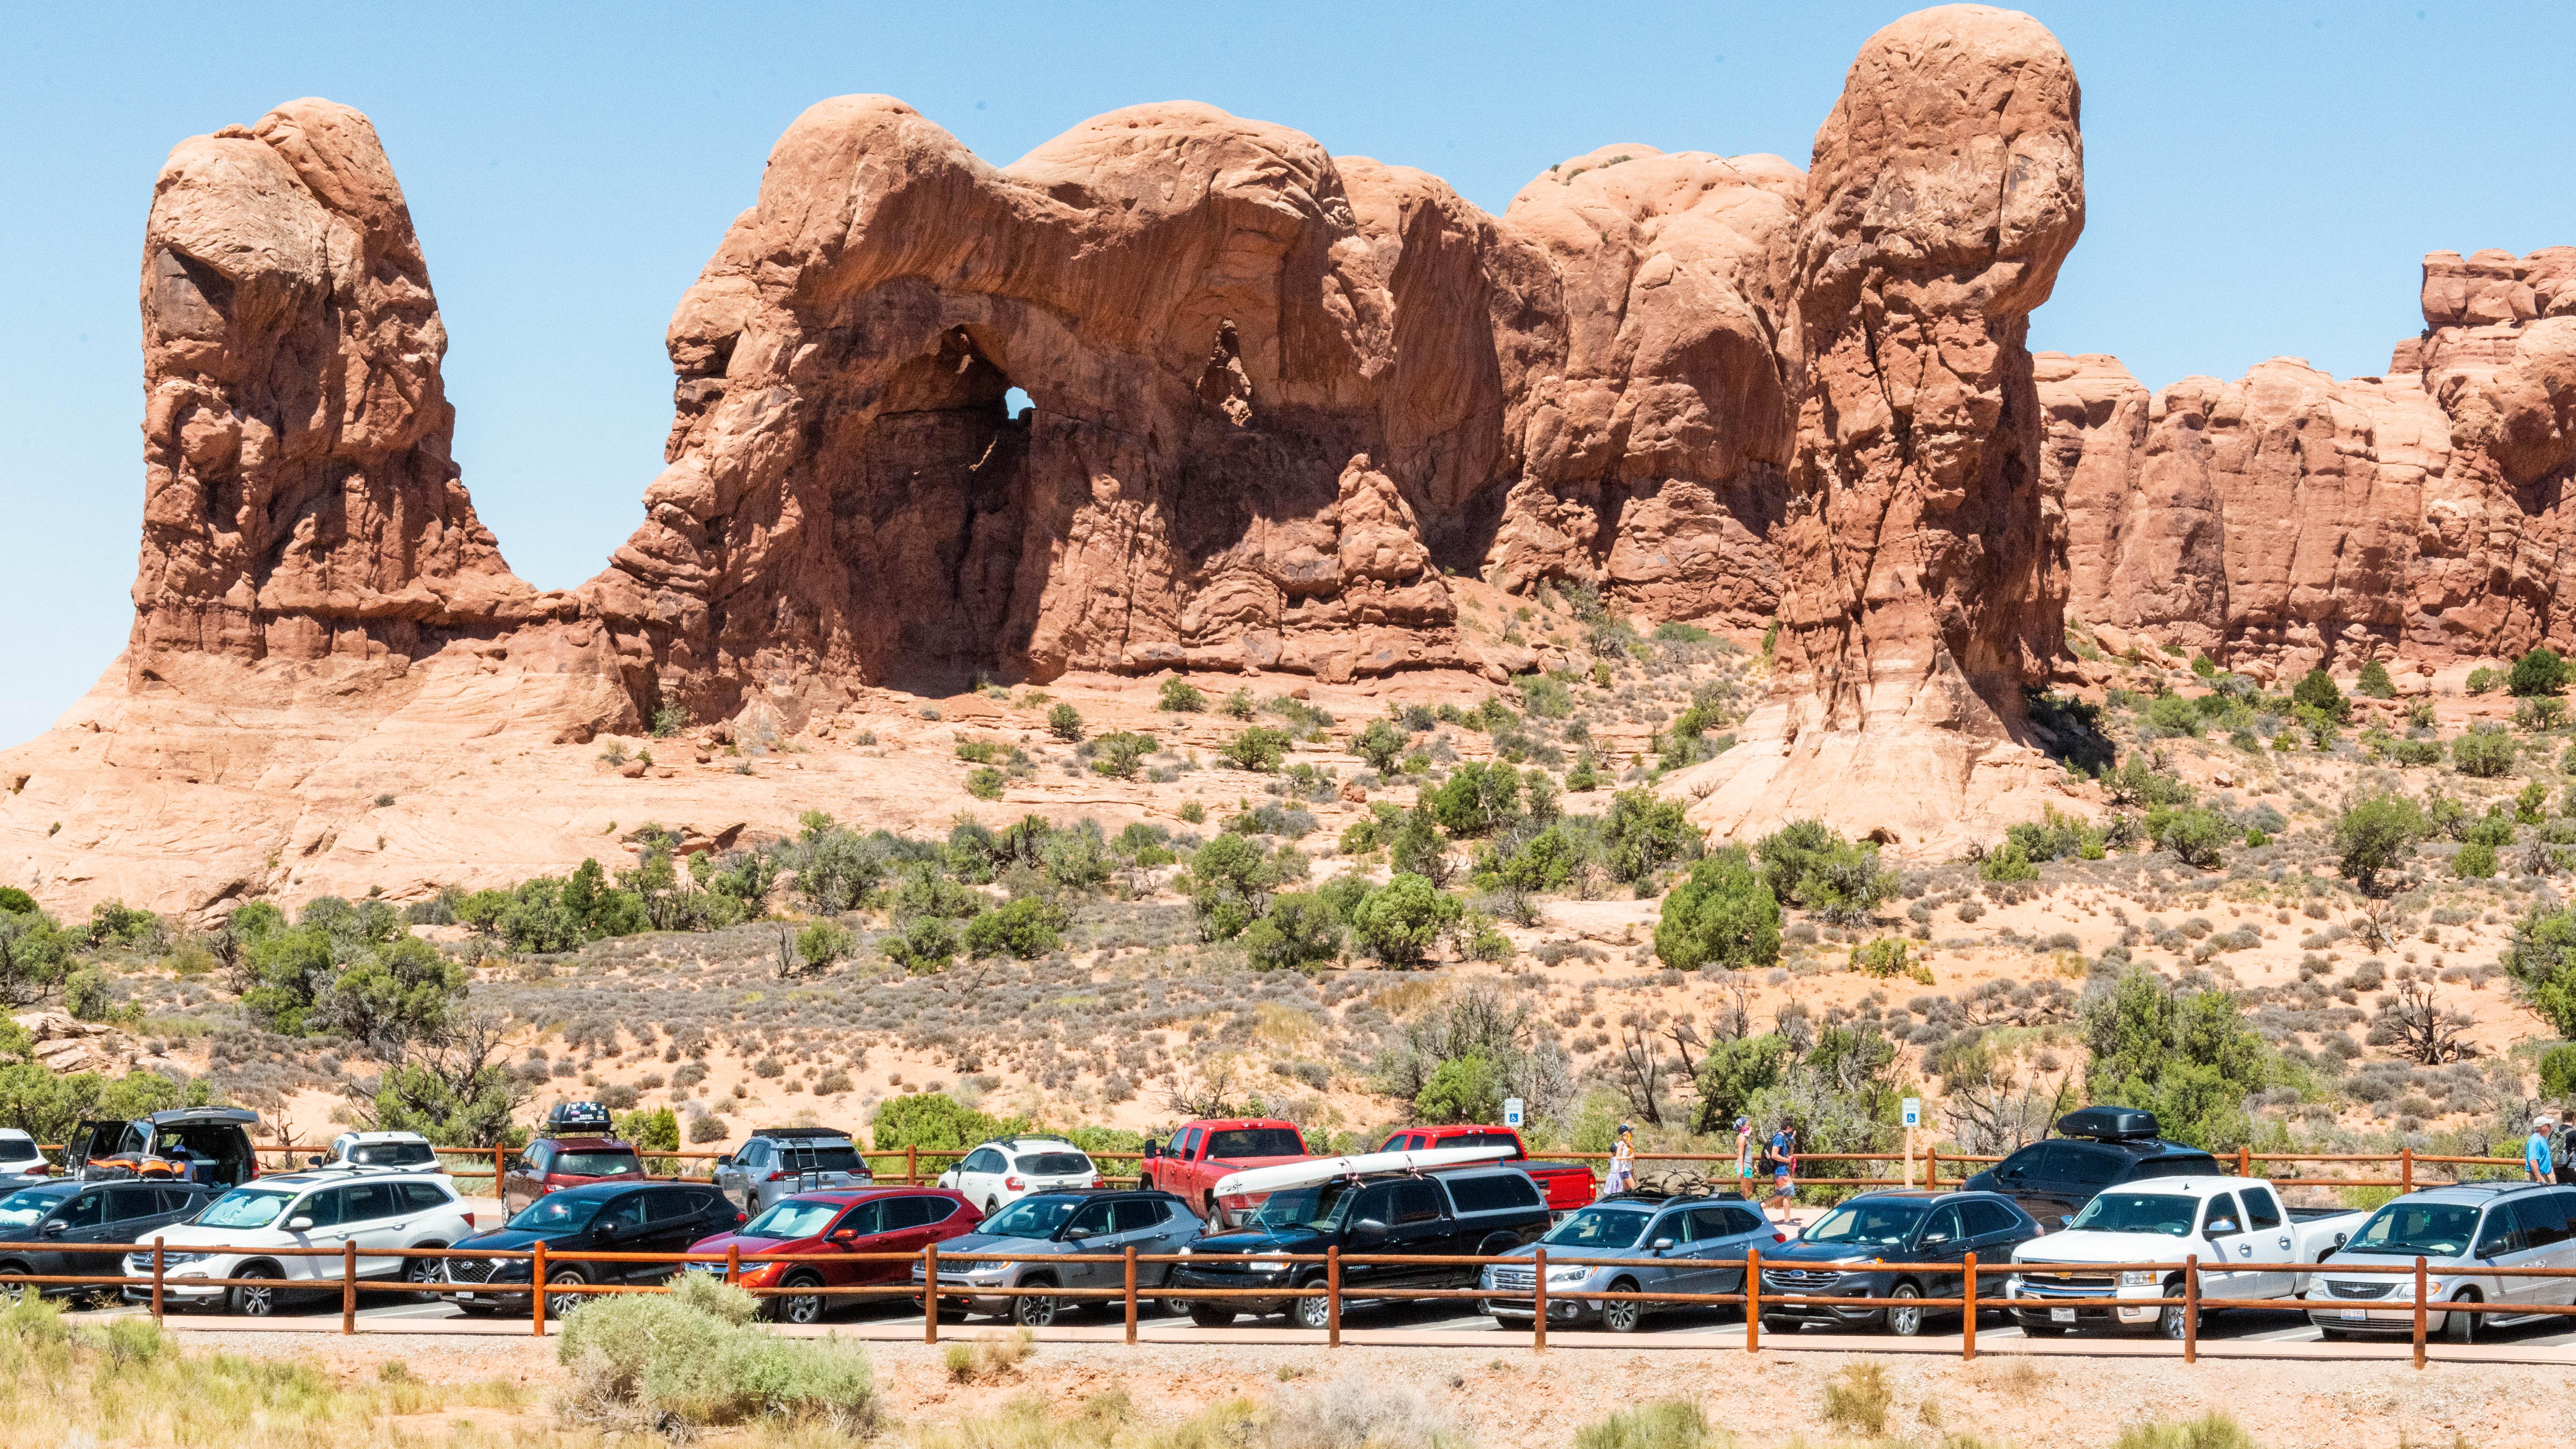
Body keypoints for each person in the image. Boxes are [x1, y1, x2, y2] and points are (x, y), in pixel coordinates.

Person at [1766, 1123, 1798, 1223]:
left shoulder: (1783, 1138)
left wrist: (1792, 1140)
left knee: (1779, 1195)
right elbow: (1774, 1155)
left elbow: (1790, 1154)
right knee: (1788, 1194)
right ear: (1789, 1128)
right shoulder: (1779, 1138)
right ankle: (1787, 1221)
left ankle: (1760, 1207)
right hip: (1780, 1172)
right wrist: (1787, 1161)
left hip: (1781, 1171)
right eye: (1792, 1129)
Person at [1604, 1124, 1636, 1195]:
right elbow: (1618, 1157)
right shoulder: (1621, 1144)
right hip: (1625, 1171)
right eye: (1629, 1132)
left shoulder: (1626, 1144)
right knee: (1634, 1189)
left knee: (1625, 1191)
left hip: (1626, 1170)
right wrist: (1628, 1158)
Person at [1734, 1116, 1757, 1201]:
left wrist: (1754, 1164)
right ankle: (1742, 1205)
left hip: (1748, 1165)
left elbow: (1747, 1154)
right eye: (1748, 1125)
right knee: (1745, 1190)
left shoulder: (1744, 1139)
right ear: (1742, 1127)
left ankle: (1742, 1203)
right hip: (1744, 1166)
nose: (1749, 1127)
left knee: (1749, 1189)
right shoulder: (1742, 1139)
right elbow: (1740, 1154)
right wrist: (1742, 1169)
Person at [2529, 1116, 2557, 1183]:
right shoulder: (2535, 1140)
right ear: (2542, 1127)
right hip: (2538, 1175)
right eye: (2548, 1125)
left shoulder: (2542, 1139)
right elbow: (2533, 1160)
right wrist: (2539, 1179)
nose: (2550, 1127)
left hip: (2544, 1174)